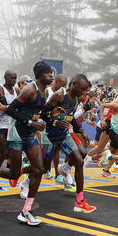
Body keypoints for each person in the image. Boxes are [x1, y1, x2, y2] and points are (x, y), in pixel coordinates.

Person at [0, 61, 53, 226]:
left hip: (30, 134)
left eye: (52, 74)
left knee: (39, 169)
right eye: (48, 74)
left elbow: (39, 112)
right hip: (17, 133)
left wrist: (52, 116)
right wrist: (30, 123)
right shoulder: (30, 89)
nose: (51, 77)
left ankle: (26, 211)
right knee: (13, 174)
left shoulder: (45, 92)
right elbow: (10, 110)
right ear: (40, 75)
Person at [36, 74, 96, 213]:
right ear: (73, 84)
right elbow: (43, 114)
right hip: (49, 135)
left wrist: (81, 130)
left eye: (85, 90)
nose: (84, 92)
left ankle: (80, 201)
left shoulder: (77, 98)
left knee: (80, 161)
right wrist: (55, 121)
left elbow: (70, 118)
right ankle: (26, 182)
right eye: (82, 89)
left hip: (63, 135)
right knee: (43, 168)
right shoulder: (59, 95)